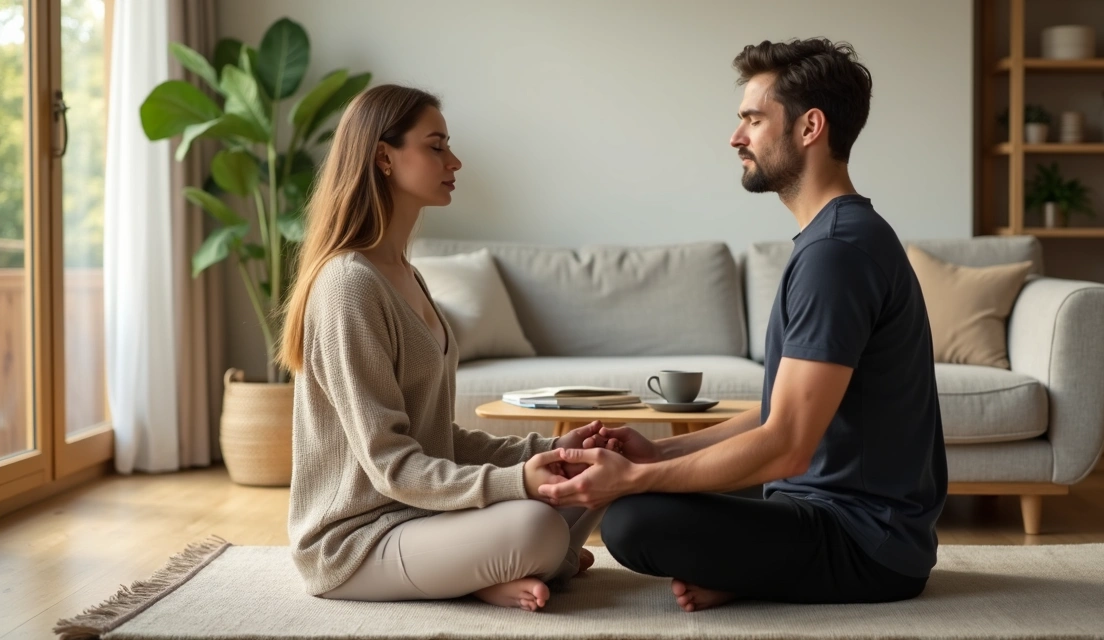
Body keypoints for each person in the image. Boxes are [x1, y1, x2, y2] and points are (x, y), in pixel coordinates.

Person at [539, 38, 948, 612]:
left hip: (866, 545)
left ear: (809, 128)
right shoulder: (833, 240)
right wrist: (656, 457)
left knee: (633, 521)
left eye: (753, 120)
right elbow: (780, 412)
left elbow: (786, 447)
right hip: (822, 516)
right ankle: (759, 575)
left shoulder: (838, 254)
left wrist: (631, 482)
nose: (736, 138)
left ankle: (768, 576)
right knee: (649, 503)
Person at [278, 84, 603, 612]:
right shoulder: (348, 286)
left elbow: (435, 437)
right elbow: (391, 462)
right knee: (538, 526)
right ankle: (513, 564)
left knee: (598, 474)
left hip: (422, 518)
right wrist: (516, 482)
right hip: (357, 541)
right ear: (384, 156)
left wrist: (549, 454)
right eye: (436, 145)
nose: (454, 160)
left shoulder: (406, 275)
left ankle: (491, 568)